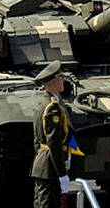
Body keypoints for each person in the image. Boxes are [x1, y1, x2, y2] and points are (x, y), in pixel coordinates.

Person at [32, 61, 72, 208]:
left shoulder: (44, 103)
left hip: (45, 165)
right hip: (50, 167)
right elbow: (53, 142)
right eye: (60, 78)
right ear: (54, 82)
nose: (62, 81)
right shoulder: (52, 108)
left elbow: (37, 141)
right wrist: (62, 173)